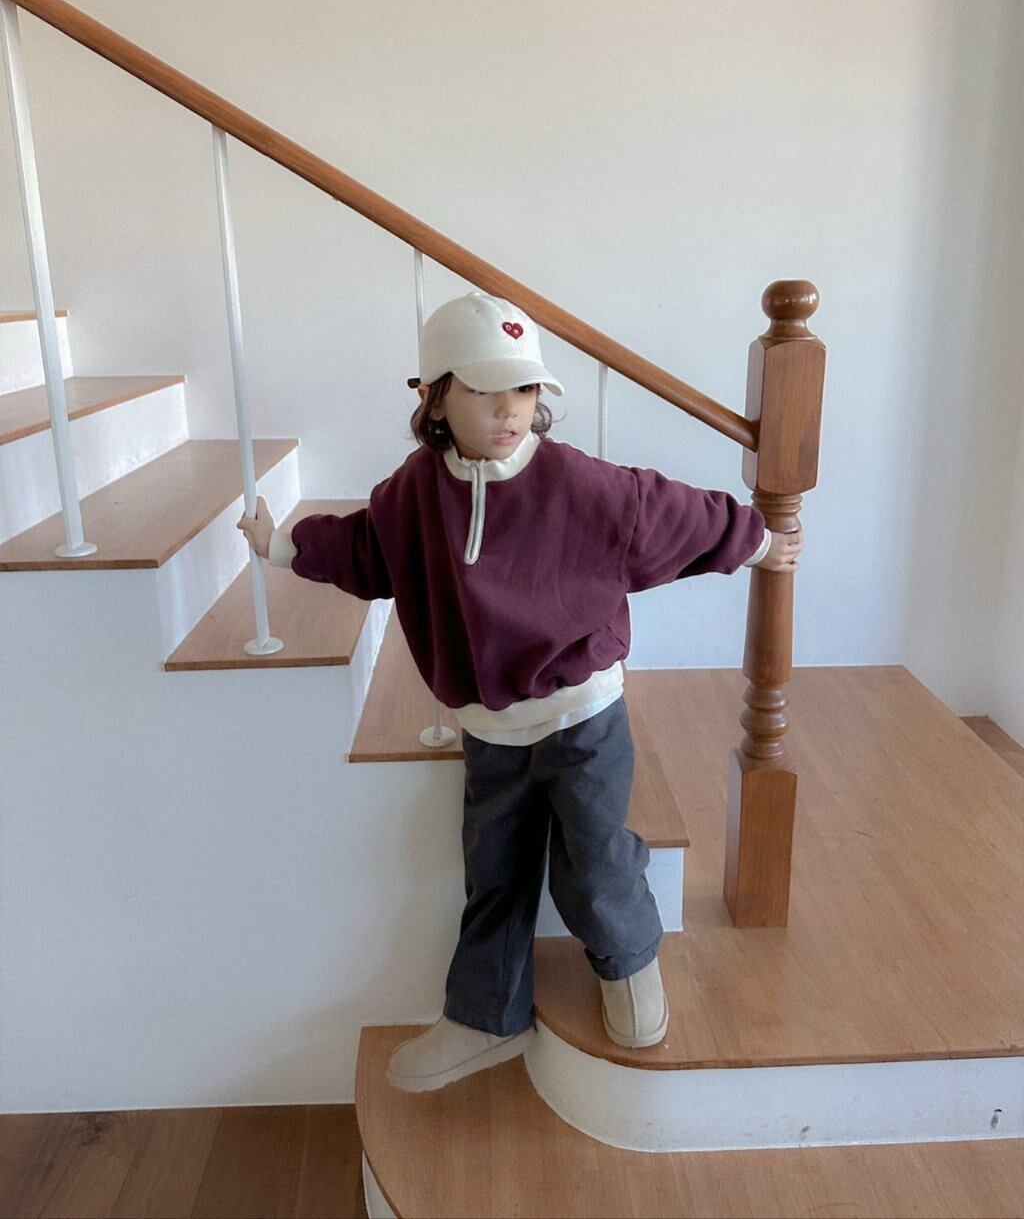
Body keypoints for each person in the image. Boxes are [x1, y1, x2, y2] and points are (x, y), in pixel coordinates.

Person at [238, 289, 802, 1094]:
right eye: (484, 389)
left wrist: (756, 540)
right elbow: (366, 547)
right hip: (490, 729)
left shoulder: (580, 485)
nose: (510, 409)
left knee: (593, 857)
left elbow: (669, 514)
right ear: (435, 397)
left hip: (583, 717)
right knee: (494, 873)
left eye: (526, 388)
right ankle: (486, 1017)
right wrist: (285, 545)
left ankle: (629, 964)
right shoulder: (413, 496)